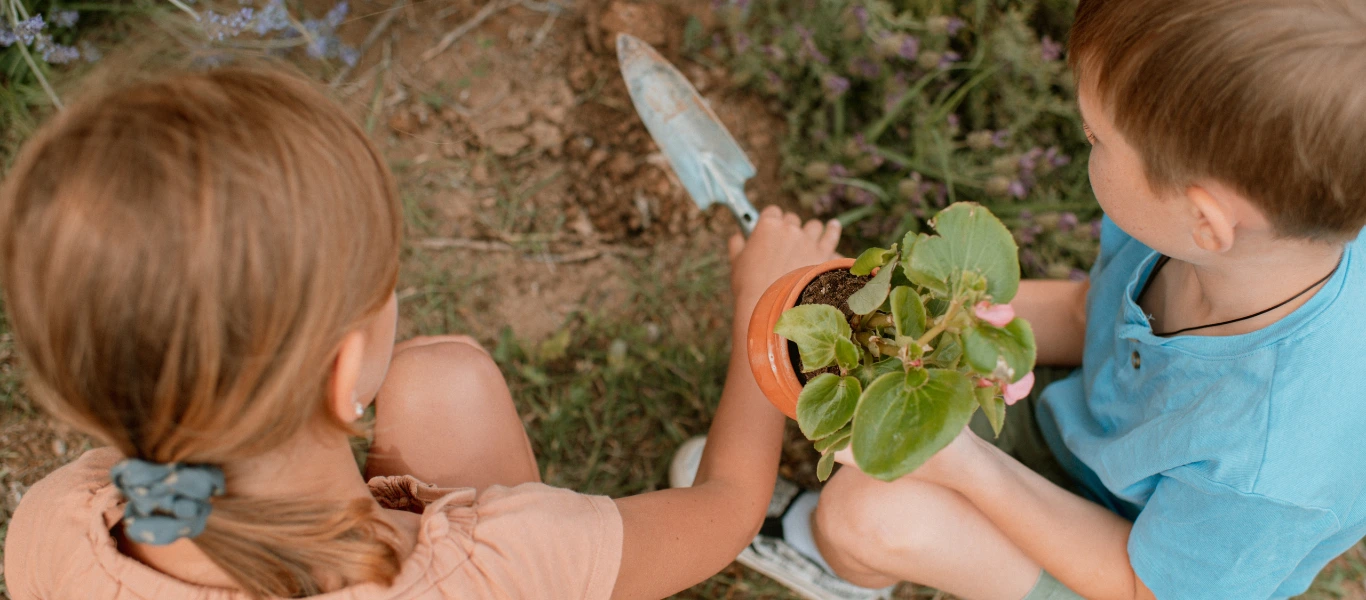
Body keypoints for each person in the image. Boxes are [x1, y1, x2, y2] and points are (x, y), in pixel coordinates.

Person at [0, 66, 844, 599]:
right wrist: (764, 316)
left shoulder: (55, 525)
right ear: (341, 374)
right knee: (448, 382)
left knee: (443, 381)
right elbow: (725, 509)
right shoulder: (501, 570)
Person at [726, 1, 1366, 599]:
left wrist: (964, 463)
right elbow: (1089, 313)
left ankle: (832, 560)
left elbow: (1144, 584)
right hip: (1088, 434)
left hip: (1131, 566)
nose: (1083, 138)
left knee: (861, 517)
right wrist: (914, 319)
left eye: (1096, 138)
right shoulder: (1228, 242)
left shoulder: (1274, 470)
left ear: (1205, 219)